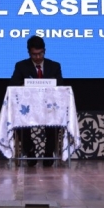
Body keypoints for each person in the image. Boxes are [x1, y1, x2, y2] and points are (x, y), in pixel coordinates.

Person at [10, 35, 64, 167]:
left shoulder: (54, 66)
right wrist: (25, 84)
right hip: (27, 107)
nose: (38, 57)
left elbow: (61, 86)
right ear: (29, 53)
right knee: (19, 122)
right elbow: (13, 85)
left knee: (55, 121)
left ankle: (48, 153)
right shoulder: (21, 66)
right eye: (34, 54)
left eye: (40, 53)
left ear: (45, 51)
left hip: (49, 106)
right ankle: (30, 151)